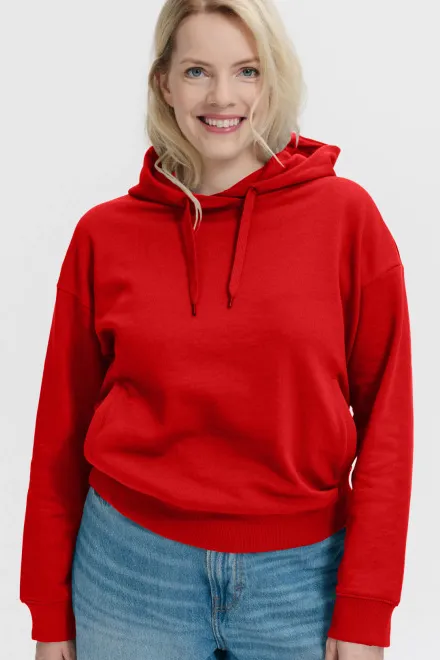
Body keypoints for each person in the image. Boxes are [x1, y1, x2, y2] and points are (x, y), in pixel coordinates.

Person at [20, 1, 414, 659]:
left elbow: (388, 426)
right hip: (130, 574)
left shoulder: (347, 219)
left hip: (303, 581)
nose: (222, 96)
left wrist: (367, 607)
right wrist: (47, 609)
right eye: (197, 71)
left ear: (275, 80)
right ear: (165, 85)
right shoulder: (103, 237)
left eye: (247, 71)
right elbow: (59, 430)